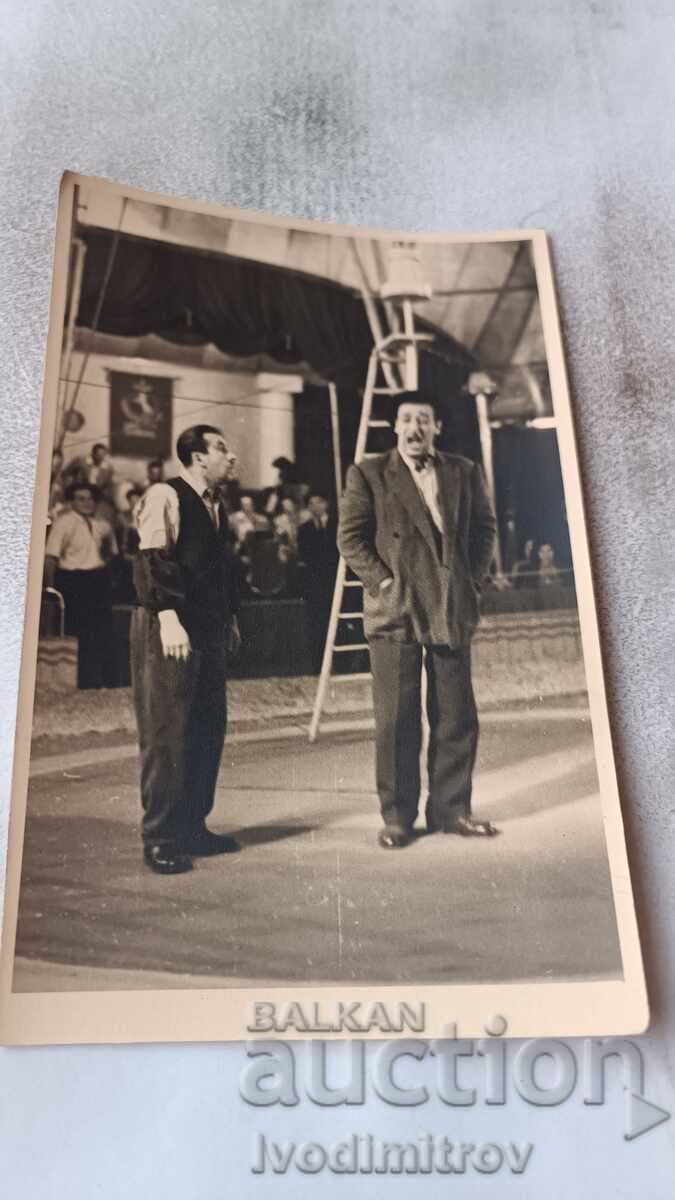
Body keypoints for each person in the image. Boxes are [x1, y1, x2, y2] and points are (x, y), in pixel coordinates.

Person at [338, 393, 499, 849]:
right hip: (396, 609)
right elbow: (350, 539)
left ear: (437, 428)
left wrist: (472, 578)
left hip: (450, 605)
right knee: (396, 719)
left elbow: (485, 529)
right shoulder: (368, 473)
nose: (415, 428)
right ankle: (398, 818)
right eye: (407, 420)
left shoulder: (463, 470)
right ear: (394, 427)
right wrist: (384, 585)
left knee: (456, 714)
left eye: (423, 420)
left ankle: (453, 811)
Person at [131, 424, 241, 875]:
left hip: (209, 628)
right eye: (222, 448)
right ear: (198, 458)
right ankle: (160, 836)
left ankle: (194, 826)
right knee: (167, 730)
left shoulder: (217, 505)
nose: (230, 456)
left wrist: (228, 618)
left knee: (207, 726)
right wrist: (168, 617)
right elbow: (153, 560)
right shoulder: (165, 495)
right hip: (170, 625)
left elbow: (216, 569)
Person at [44, 481, 118, 689]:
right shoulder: (64, 522)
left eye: (90, 499)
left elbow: (112, 553)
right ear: (71, 501)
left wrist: (106, 573)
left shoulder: (103, 524)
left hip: (97, 580)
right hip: (73, 581)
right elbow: (51, 557)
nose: (87, 503)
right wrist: (51, 589)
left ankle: (102, 682)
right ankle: (79, 682)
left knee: (102, 631)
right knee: (78, 631)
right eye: (80, 499)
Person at [298, 494, 338, 673]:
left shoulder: (337, 525)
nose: (315, 506)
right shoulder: (304, 529)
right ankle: (318, 665)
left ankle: (339, 664)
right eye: (311, 503)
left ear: (326, 503)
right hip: (315, 585)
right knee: (317, 623)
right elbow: (304, 555)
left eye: (318, 502)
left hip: (333, 582)